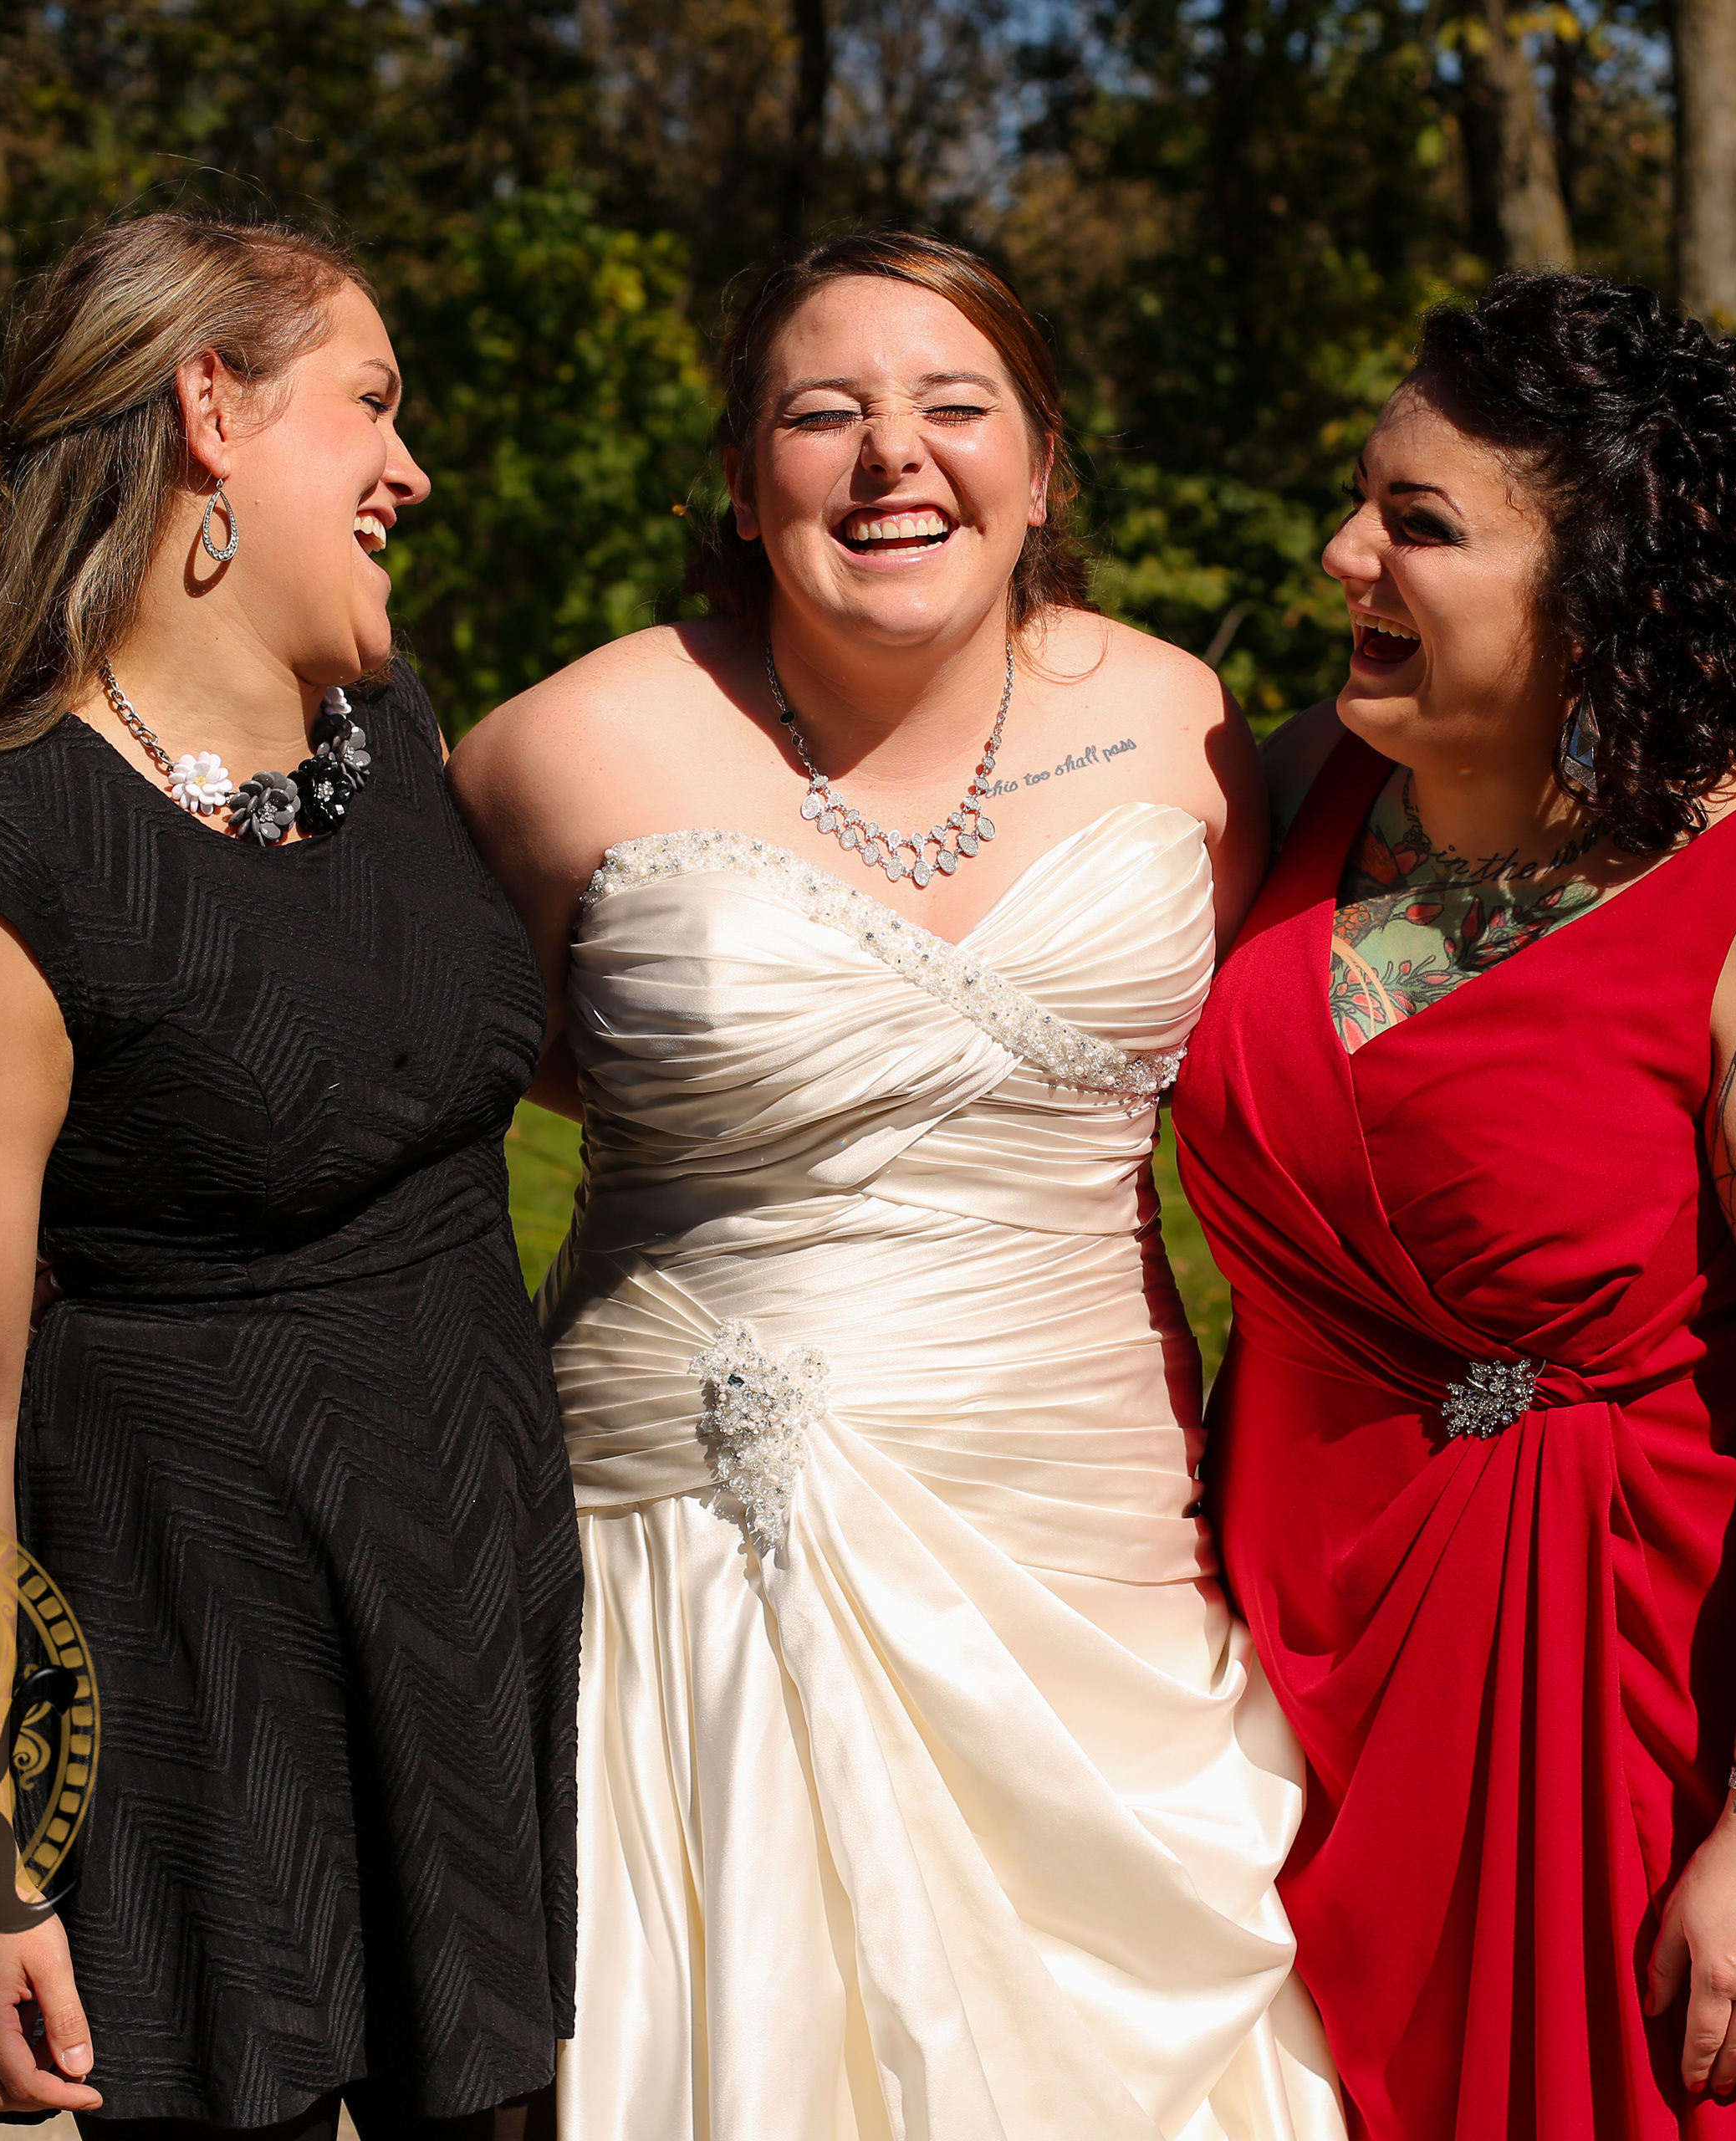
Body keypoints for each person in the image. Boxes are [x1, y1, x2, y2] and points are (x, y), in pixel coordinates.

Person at [452, 230, 1345, 2141]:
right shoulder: (553, 755)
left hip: (1093, 1565)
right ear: (739, 474)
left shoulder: (1186, 729)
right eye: (823, 413)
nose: (893, 458)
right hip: (692, 1568)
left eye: (955, 405)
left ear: (1044, 460)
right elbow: (465, 1082)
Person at [1173, 273, 1736, 2137]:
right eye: (1359, 500)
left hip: (1627, 1707)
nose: (1342, 553)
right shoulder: (1292, 791)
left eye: (1418, 524)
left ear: (1604, 587)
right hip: (1282, 1694)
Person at [0, 211, 574, 2137]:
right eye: (371, 402)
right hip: (198, 1678)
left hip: (471, 1623)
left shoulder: (396, 739)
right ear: (210, 413)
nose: (411, 467)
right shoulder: (2, 879)